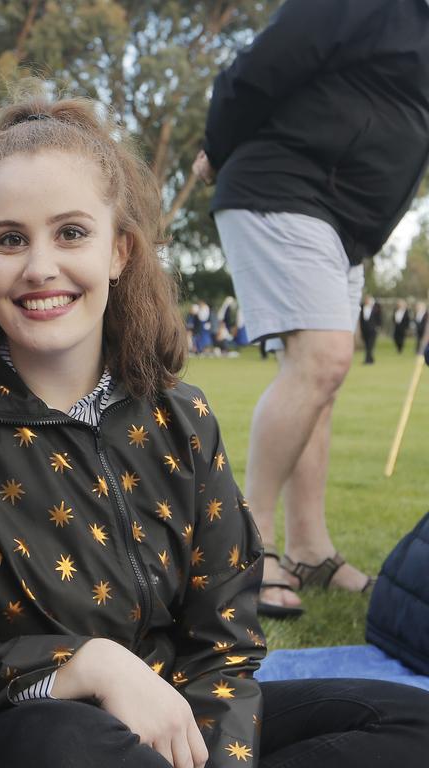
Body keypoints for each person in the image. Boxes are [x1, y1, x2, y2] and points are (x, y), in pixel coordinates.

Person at [0, 90, 429, 768]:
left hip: (173, 728)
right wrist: (88, 666)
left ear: (120, 252)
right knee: (72, 739)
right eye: (10, 239)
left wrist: (218, 755)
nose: (40, 265)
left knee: (404, 721)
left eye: (71, 233)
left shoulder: (181, 418)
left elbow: (226, 643)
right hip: (24, 737)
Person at [192, 0, 429, 615]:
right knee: (320, 362)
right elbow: (262, 65)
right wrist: (217, 145)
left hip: (347, 226)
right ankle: (248, 549)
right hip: (284, 186)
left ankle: (309, 550)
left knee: (323, 381)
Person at [360, 295, 382, 365]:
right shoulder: (362, 307)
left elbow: (379, 318)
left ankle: (367, 360)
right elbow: (361, 319)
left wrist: (378, 326)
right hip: (365, 329)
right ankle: (371, 359)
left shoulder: (375, 308)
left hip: (373, 329)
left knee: (370, 345)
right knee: (367, 345)